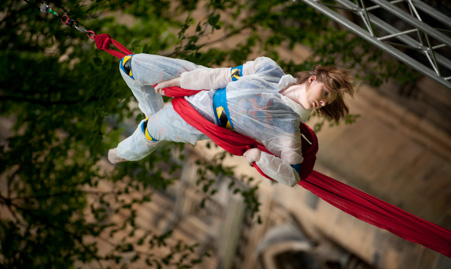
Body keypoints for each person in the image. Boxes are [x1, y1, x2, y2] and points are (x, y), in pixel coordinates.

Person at [108, 54, 354, 186]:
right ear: (312, 79)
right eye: (324, 94)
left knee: (149, 131)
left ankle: (121, 151)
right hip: (200, 82)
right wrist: (178, 83)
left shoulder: (286, 127)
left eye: (326, 103)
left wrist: (261, 158)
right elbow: (222, 76)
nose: (322, 103)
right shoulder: (268, 68)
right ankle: (151, 111)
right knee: (129, 65)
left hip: (197, 119)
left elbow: (292, 175)